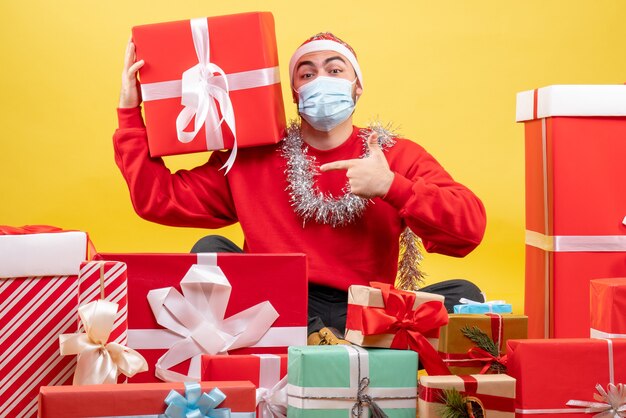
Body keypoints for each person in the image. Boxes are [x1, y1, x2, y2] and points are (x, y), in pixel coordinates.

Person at [115, 32, 487, 345]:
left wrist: (392, 186)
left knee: (465, 295)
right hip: (277, 302)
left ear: (357, 86)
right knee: (210, 253)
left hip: (365, 307)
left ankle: (333, 343)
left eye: (335, 70)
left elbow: (468, 229)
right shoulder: (251, 156)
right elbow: (159, 200)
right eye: (307, 74)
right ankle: (322, 341)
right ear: (294, 93)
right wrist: (130, 113)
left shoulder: (396, 155)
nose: (321, 80)